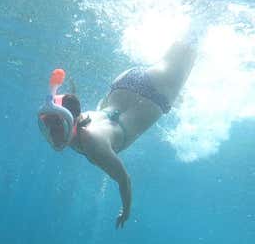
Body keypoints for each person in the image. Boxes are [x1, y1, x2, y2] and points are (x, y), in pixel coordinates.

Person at [38, 38, 197, 228]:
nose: (51, 134)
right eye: (46, 126)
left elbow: (124, 179)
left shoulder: (93, 145)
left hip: (155, 94)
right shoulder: (79, 122)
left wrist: (126, 209)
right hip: (127, 82)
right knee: (184, 44)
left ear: (71, 123)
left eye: (55, 128)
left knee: (193, 42)